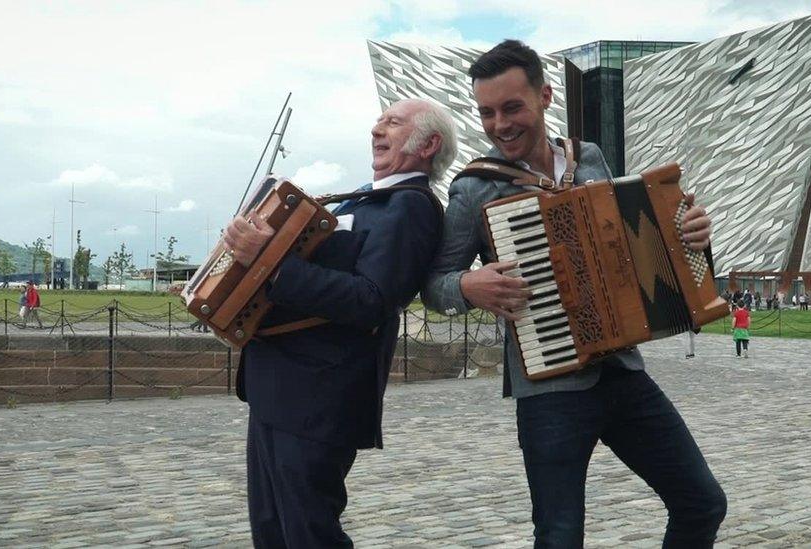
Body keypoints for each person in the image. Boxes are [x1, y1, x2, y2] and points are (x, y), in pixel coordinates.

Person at [422, 40, 726, 548]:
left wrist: (689, 234)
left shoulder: (589, 158)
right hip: (549, 393)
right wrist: (469, 285)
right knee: (559, 536)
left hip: (623, 373)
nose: (500, 124)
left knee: (702, 502)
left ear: (544, 96)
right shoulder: (475, 188)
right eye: (487, 113)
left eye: (512, 107)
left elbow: (631, 246)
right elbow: (433, 286)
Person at [226, 98, 456, 548]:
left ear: (428, 144)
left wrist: (267, 264)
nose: (377, 129)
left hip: (319, 397)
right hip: (281, 387)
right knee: (274, 533)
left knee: (309, 535)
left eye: (392, 122)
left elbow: (371, 300)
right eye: (378, 120)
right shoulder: (364, 200)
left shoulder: (411, 206)